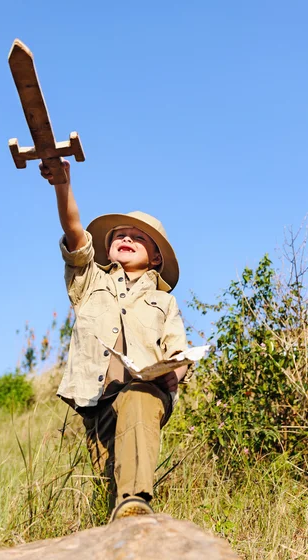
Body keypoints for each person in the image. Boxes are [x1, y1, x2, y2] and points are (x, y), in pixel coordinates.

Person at [40, 159, 191, 520]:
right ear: (107, 250)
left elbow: (180, 353)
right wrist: (63, 185)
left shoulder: (165, 302)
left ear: (155, 258)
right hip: (96, 401)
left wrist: (175, 374)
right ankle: (123, 524)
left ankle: (137, 504)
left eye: (138, 238)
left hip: (145, 391)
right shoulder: (91, 282)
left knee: (138, 402)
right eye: (120, 236)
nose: (127, 239)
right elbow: (75, 233)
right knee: (111, 479)